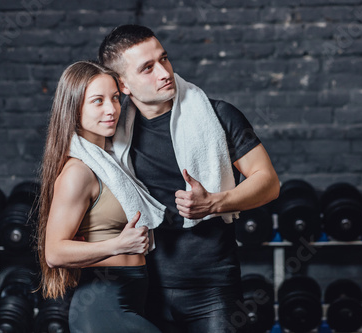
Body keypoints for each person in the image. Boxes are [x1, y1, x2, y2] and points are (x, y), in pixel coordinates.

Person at [98, 25, 280, 332]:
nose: (164, 72)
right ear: (123, 85)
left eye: (164, 58)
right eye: (147, 68)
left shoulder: (218, 116)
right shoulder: (112, 133)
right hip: (141, 285)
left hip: (212, 288)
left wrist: (213, 203)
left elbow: (269, 182)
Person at [36, 60, 161, 333]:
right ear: (74, 108)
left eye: (115, 98)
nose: (111, 109)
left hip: (130, 298)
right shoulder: (78, 172)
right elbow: (54, 252)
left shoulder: (112, 163)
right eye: (97, 101)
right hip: (104, 308)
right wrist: (117, 244)